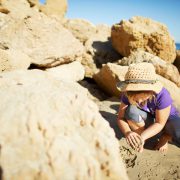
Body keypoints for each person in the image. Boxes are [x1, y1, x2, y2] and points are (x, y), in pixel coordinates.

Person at [116, 62, 180, 153]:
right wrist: (128, 132)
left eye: (141, 98)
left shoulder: (162, 95)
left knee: (178, 132)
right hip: (149, 118)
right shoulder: (128, 93)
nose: (138, 102)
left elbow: (160, 123)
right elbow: (120, 117)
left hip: (167, 120)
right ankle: (140, 138)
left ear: (150, 92)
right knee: (131, 111)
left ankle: (166, 136)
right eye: (134, 99)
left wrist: (143, 137)